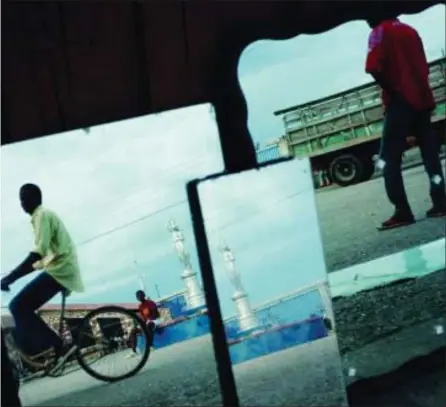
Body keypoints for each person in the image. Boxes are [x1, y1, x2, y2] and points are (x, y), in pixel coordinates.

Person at [365, 14, 446, 230]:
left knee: (386, 160)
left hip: (400, 102)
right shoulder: (410, 30)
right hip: (422, 99)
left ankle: (402, 210)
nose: (366, 19)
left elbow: (373, 66)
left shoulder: (379, 31)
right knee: (430, 156)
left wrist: (391, 90)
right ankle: (440, 201)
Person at [0, 183, 84, 359]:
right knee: (24, 308)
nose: (22, 202)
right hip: (59, 269)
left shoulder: (42, 215)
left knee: (17, 306)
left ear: (37, 198)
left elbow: (37, 254)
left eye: (25, 198)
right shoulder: (40, 217)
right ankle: (52, 345)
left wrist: (10, 278)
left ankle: (54, 345)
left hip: (60, 270)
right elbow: (38, 260)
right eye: (20, 199)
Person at [126, 290, 161, 358]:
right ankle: (134, 351)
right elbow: (144, 317)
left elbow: (156, 314)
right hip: (147, 322)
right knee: (133, 330)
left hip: (155, 320)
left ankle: (151, 346)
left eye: (140, 295)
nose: (139, 297)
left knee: (149, 325)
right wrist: (141, 324)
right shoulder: (140, 306)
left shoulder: (150, 303)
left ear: (144, 295)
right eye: (137, 296)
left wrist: (149, 320)